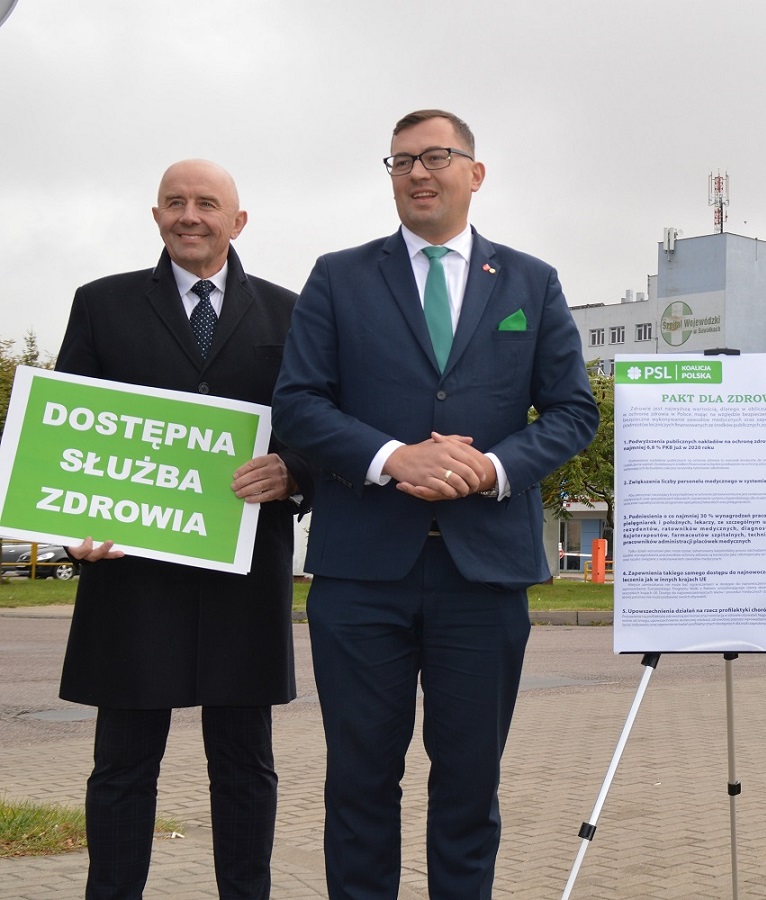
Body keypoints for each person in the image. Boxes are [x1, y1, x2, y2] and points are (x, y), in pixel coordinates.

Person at [271, 109, 598, 899]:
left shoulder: (531, 282)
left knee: (468, 789)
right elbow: (299, 403)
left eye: (436, 157)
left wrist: (491, 469)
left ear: (474, 174)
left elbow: (571, 412)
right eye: (401, 161)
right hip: (361, 576)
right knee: (358, 784)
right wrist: (393, 458)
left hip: (482, 575)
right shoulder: (338, 277)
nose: (418, 173)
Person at [56, 159, 315, 900]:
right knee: (122, 767)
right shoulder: (101, 305)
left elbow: (317, 425)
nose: (189, 215)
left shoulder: (291, 312)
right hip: (131, 576)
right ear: (156, 215)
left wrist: (294, 471)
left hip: (242, 575)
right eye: (175, 202)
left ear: (238, 221)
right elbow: (64, 430)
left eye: (207, 203)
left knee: (245, 767)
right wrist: (69, 525)